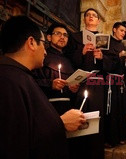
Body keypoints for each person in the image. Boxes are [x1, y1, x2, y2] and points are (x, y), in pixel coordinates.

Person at [0, 15, 85, 159]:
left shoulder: (18, 75)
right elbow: (14, 140)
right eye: (43, 44)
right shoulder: (9, 82)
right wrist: (61, 123)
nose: (45, 51)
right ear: (31, 43)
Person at [32, 23, 87, 159]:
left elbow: (70, 86)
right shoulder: (41, 57)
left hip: (68, 107)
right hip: (48, 108)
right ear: (49, 37)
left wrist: (73, 88)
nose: (62, 37)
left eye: (65, 35)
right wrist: (51, 84)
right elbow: (32, 82)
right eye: (58, 34)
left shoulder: (69, 61)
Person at [70, 8, 105, 159]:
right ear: (84, 19)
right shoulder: (75, 37)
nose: (91, 17)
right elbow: (70, 59)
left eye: (94, 15)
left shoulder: (105, 38)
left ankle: (96, 151)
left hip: (97, 83)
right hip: (81, 82)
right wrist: (82, 52)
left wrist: (102, 57)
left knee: (96, 117)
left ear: (98, 20)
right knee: (80, 116)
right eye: (88, 15)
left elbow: (112, 64)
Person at [102, 22, 126, 147]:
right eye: (121, 30)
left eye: (125, 31)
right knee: (112, 109)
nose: (123, 33)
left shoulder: (122, 45)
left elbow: (123, 68)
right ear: (114, 29)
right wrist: (118, 56)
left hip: (120, 81)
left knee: (120, 109)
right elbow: (105, 63)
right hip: (110, 82)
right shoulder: (107, 43)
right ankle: (110, 139)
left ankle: (121, 136)